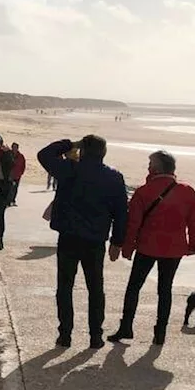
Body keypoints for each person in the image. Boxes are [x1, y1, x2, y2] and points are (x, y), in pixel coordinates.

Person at [38, 135, 129, 349]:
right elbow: (121, 213)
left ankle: (65, 335)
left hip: (69, 236)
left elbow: (44, 154)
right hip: (95, 240)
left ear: (83, 151)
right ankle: (95, 336)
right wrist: (117, 242)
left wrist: (70, 144)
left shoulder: (70, 169)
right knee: (96, 289)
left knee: (65, 287)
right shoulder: (114, 177)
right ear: (104, 153)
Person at [108, 151, 195, 345]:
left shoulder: (144, 191)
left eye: (150, 164)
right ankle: (160, 333)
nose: (148, 167)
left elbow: (133, 223)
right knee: (165, 289)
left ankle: (126, 326)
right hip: (174, 248)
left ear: (157, 168)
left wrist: (128, 247)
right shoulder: (186, 191)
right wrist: (194, 244)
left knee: (134, 287)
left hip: (147, 246)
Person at [9, 143, 27, 207]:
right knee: (9, 188)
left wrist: (21, 173)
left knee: (15, 188)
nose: (14, 149)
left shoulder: (21, 156)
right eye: (13, 147)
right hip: (9, 175)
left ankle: (13, 200)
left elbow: (23, 165)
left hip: (17, 175)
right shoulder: (8, 155)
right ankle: (8, 201)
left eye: (15, 147)